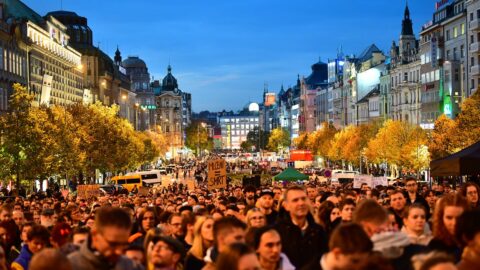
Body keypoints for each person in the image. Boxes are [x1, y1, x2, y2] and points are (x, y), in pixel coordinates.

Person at [68, 207, 142, 270]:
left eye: (124, 244)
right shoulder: (69, 265)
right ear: (95, 236)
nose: (119, 251)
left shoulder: (131, 266)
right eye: (113, 244)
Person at [275, 186, 328, 269]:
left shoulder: (318, 230)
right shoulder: (277, 231)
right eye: (295, 200)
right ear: (286, 206)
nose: (301, 203)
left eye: (303, 199)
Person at [428, 193, 469, 262]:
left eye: (459, 218)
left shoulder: (474, 242)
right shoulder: (434, 245)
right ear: (441, 218)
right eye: (449, 218)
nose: (454, 223)